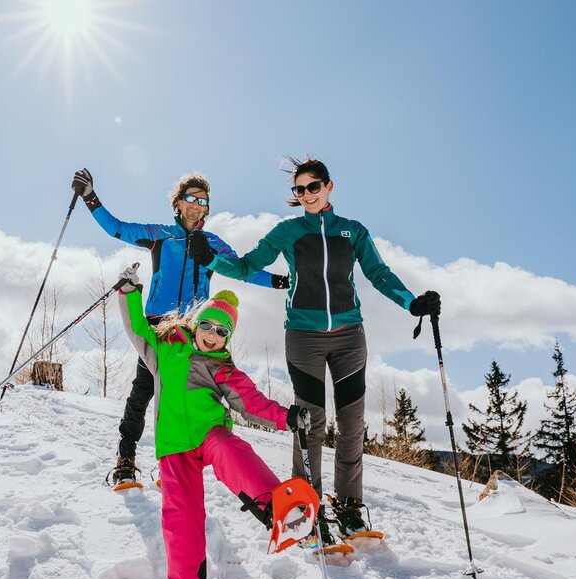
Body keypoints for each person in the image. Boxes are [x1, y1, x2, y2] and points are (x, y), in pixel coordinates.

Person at [188, 157, 441, 540]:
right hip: (303, 337)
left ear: (328, 187)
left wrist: (411, 303)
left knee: (353, 423)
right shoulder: (288, 231)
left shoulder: (352, 231)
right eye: (299, 189)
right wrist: (213, 261)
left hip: (349, 336)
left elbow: (379, 274)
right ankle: (310, 508)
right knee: (309, 424)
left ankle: (350, 507)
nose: (306, 195)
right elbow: (246, 266)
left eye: (313, 187)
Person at [114, 264, 310, 579]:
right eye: (208, 325)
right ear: (197, 323)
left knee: (231, 451)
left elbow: (250, 402)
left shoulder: (222, 368)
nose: (213, 335)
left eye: (222, 332)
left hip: (208, 434)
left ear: (227, 339)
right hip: (173, 448)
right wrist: (129, 293)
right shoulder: (165, 348)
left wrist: (286, 417)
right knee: (180, 517)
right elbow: (138, 329)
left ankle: (279, 507)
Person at [71, 168, 289, 488]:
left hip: (197, 333)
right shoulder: (160, 235)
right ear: (178, 204)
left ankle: (173, 462)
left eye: (203, 200)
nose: (196, 204)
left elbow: (243, 270)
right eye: (190, 198)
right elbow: (117, 228)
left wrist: (281, 281)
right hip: (161, 329)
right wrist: (90, 197)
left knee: (189, 397)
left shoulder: (212, 244)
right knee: (143, 391)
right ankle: (126, 459)